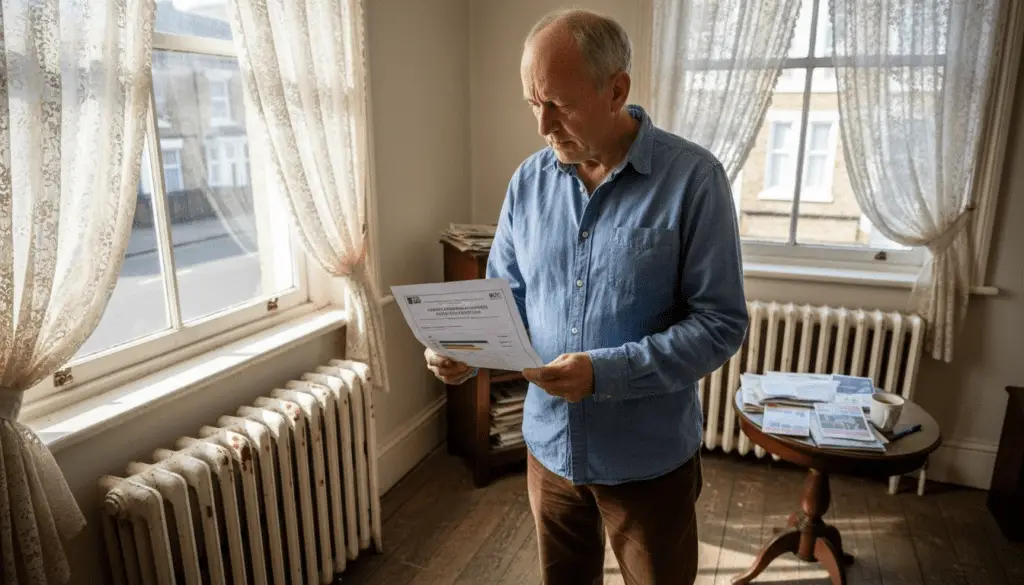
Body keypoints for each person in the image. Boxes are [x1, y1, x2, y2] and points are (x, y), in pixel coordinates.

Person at [425, 8, 748, 585]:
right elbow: (507, 297)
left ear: (617, 88)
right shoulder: (528, 182)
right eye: (532, 103)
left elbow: (720, 324)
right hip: (548, 450)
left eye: (560, 104)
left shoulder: (695, 180)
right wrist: (464, 348)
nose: (543, 126)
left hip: (647, 462)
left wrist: (606, 373)